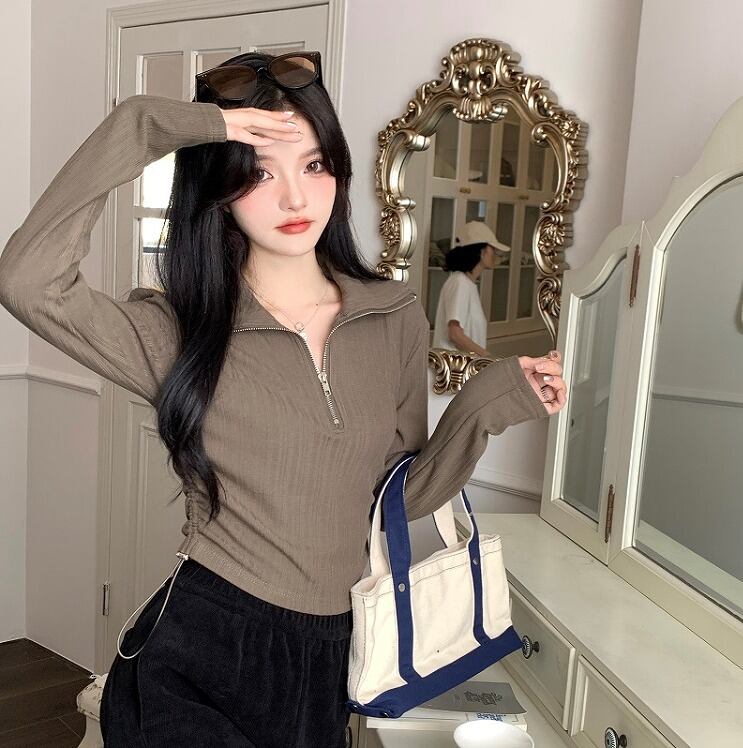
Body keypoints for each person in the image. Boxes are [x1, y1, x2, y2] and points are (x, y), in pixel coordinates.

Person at [0, 51, 566, 747]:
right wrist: (149, 125)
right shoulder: (178, 330)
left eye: (314, 164)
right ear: (219, 189)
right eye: (260, 172)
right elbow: (28, 279)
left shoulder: (392, 315)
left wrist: (487, 403)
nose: (296, 199)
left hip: (330, 653)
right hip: (204, 643)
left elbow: (398, 496)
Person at [432, 220, 511, 356]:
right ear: (482, 251)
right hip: (454, 367)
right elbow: (455, 334)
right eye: (492, 249)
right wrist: (488, 357)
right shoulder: (460, 282)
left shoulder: (467, 284)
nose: (494, 254)